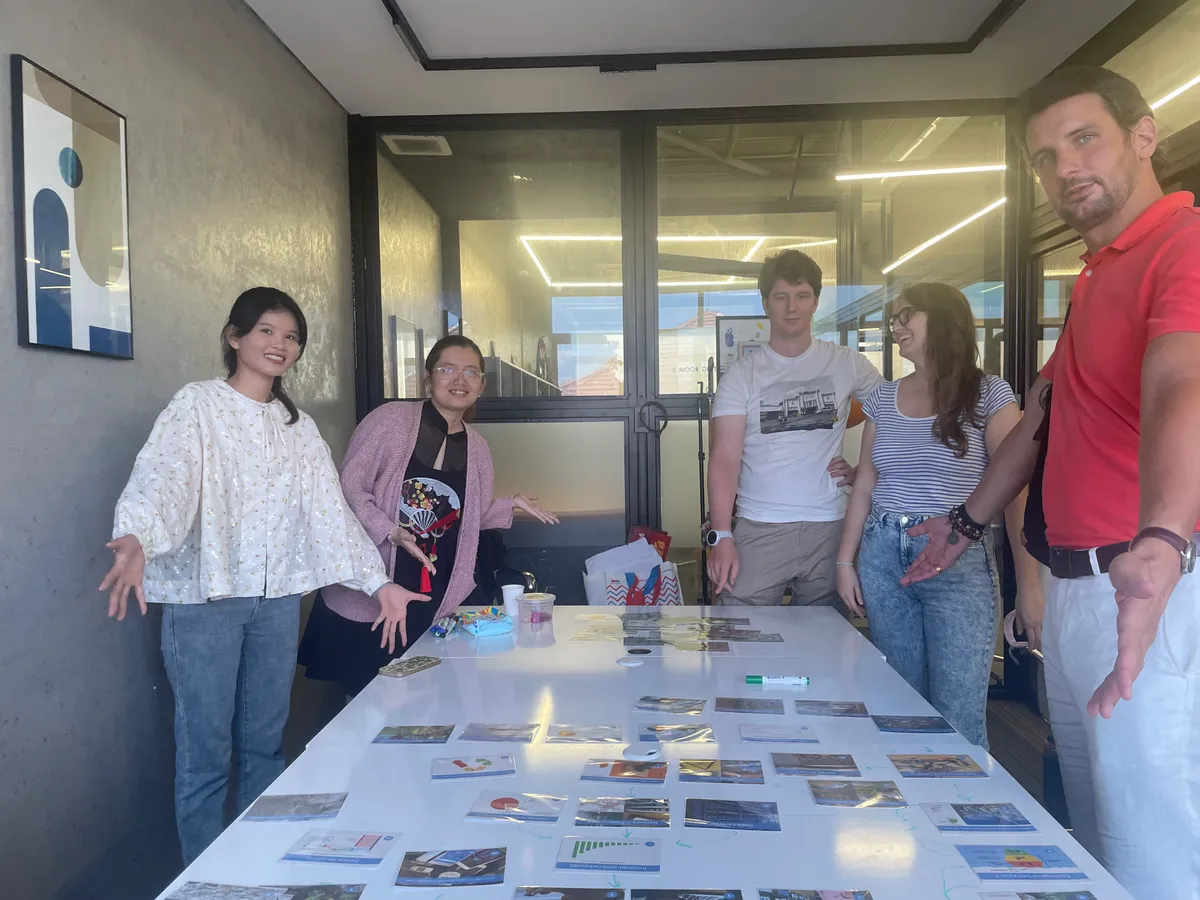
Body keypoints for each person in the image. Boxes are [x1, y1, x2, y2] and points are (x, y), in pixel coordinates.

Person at [902, 67, 1200, 897]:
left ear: (1144, 137)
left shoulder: (1185, 246)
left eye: (1083, 138)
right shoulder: (1100, 271)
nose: (1064, 168)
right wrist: (961, 524)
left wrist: (1165, 540)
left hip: (1141, 587)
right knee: (1096, 826)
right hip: (1076, 591)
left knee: (1156, 843)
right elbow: (1042, 422)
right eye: (1043, 157)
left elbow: (1186, 382)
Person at [99, 287, 424, 864]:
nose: (280, 344)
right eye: (267, 331)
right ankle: (208, 873)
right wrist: (137, 536)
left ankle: (260, 864)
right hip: (206, 603)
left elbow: (328, 511)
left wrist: (378, 582)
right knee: (204, 750)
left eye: (292, 336)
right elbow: (164, 479)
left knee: (263, 745)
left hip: (274, 607)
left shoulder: (297, 427)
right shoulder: (198, 405)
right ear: (235, 337)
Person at [834, 283, 1044, 747]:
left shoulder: (990, 394)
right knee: (900, 704)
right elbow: (865, 484)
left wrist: (1028, 586)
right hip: (885, 555)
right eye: (894, 318)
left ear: (944, 318)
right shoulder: (882, 400)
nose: (897, 326)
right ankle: (909, 815)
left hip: (959, 558)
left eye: (907, 314)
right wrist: (845, 561)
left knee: (958, 716)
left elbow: (1015, 494)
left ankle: (965, 812)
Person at [300, 335, 558, 697]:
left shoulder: (478, 449)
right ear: (428, 377)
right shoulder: (389, 421)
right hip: (373, 586)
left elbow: (464, 519)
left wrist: (510, 503)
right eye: (448, 369)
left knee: (424, 700)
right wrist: (389, 530)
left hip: (434, 589)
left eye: (471, 373)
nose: (459, 380)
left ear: (482, 386)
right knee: (364, 700)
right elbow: (348, 489)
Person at [706, 249, 883, 608]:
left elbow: (893, 413)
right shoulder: (742, 375)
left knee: (826, 645)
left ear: (815, 302)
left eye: (802, 296)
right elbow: (724, 458)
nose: (792, 307)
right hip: (759, 527)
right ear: (766, 302)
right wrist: (721, 534)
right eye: (781, 296)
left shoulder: (847, 363)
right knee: (741, 638)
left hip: (831, 527)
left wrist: (865, 470)